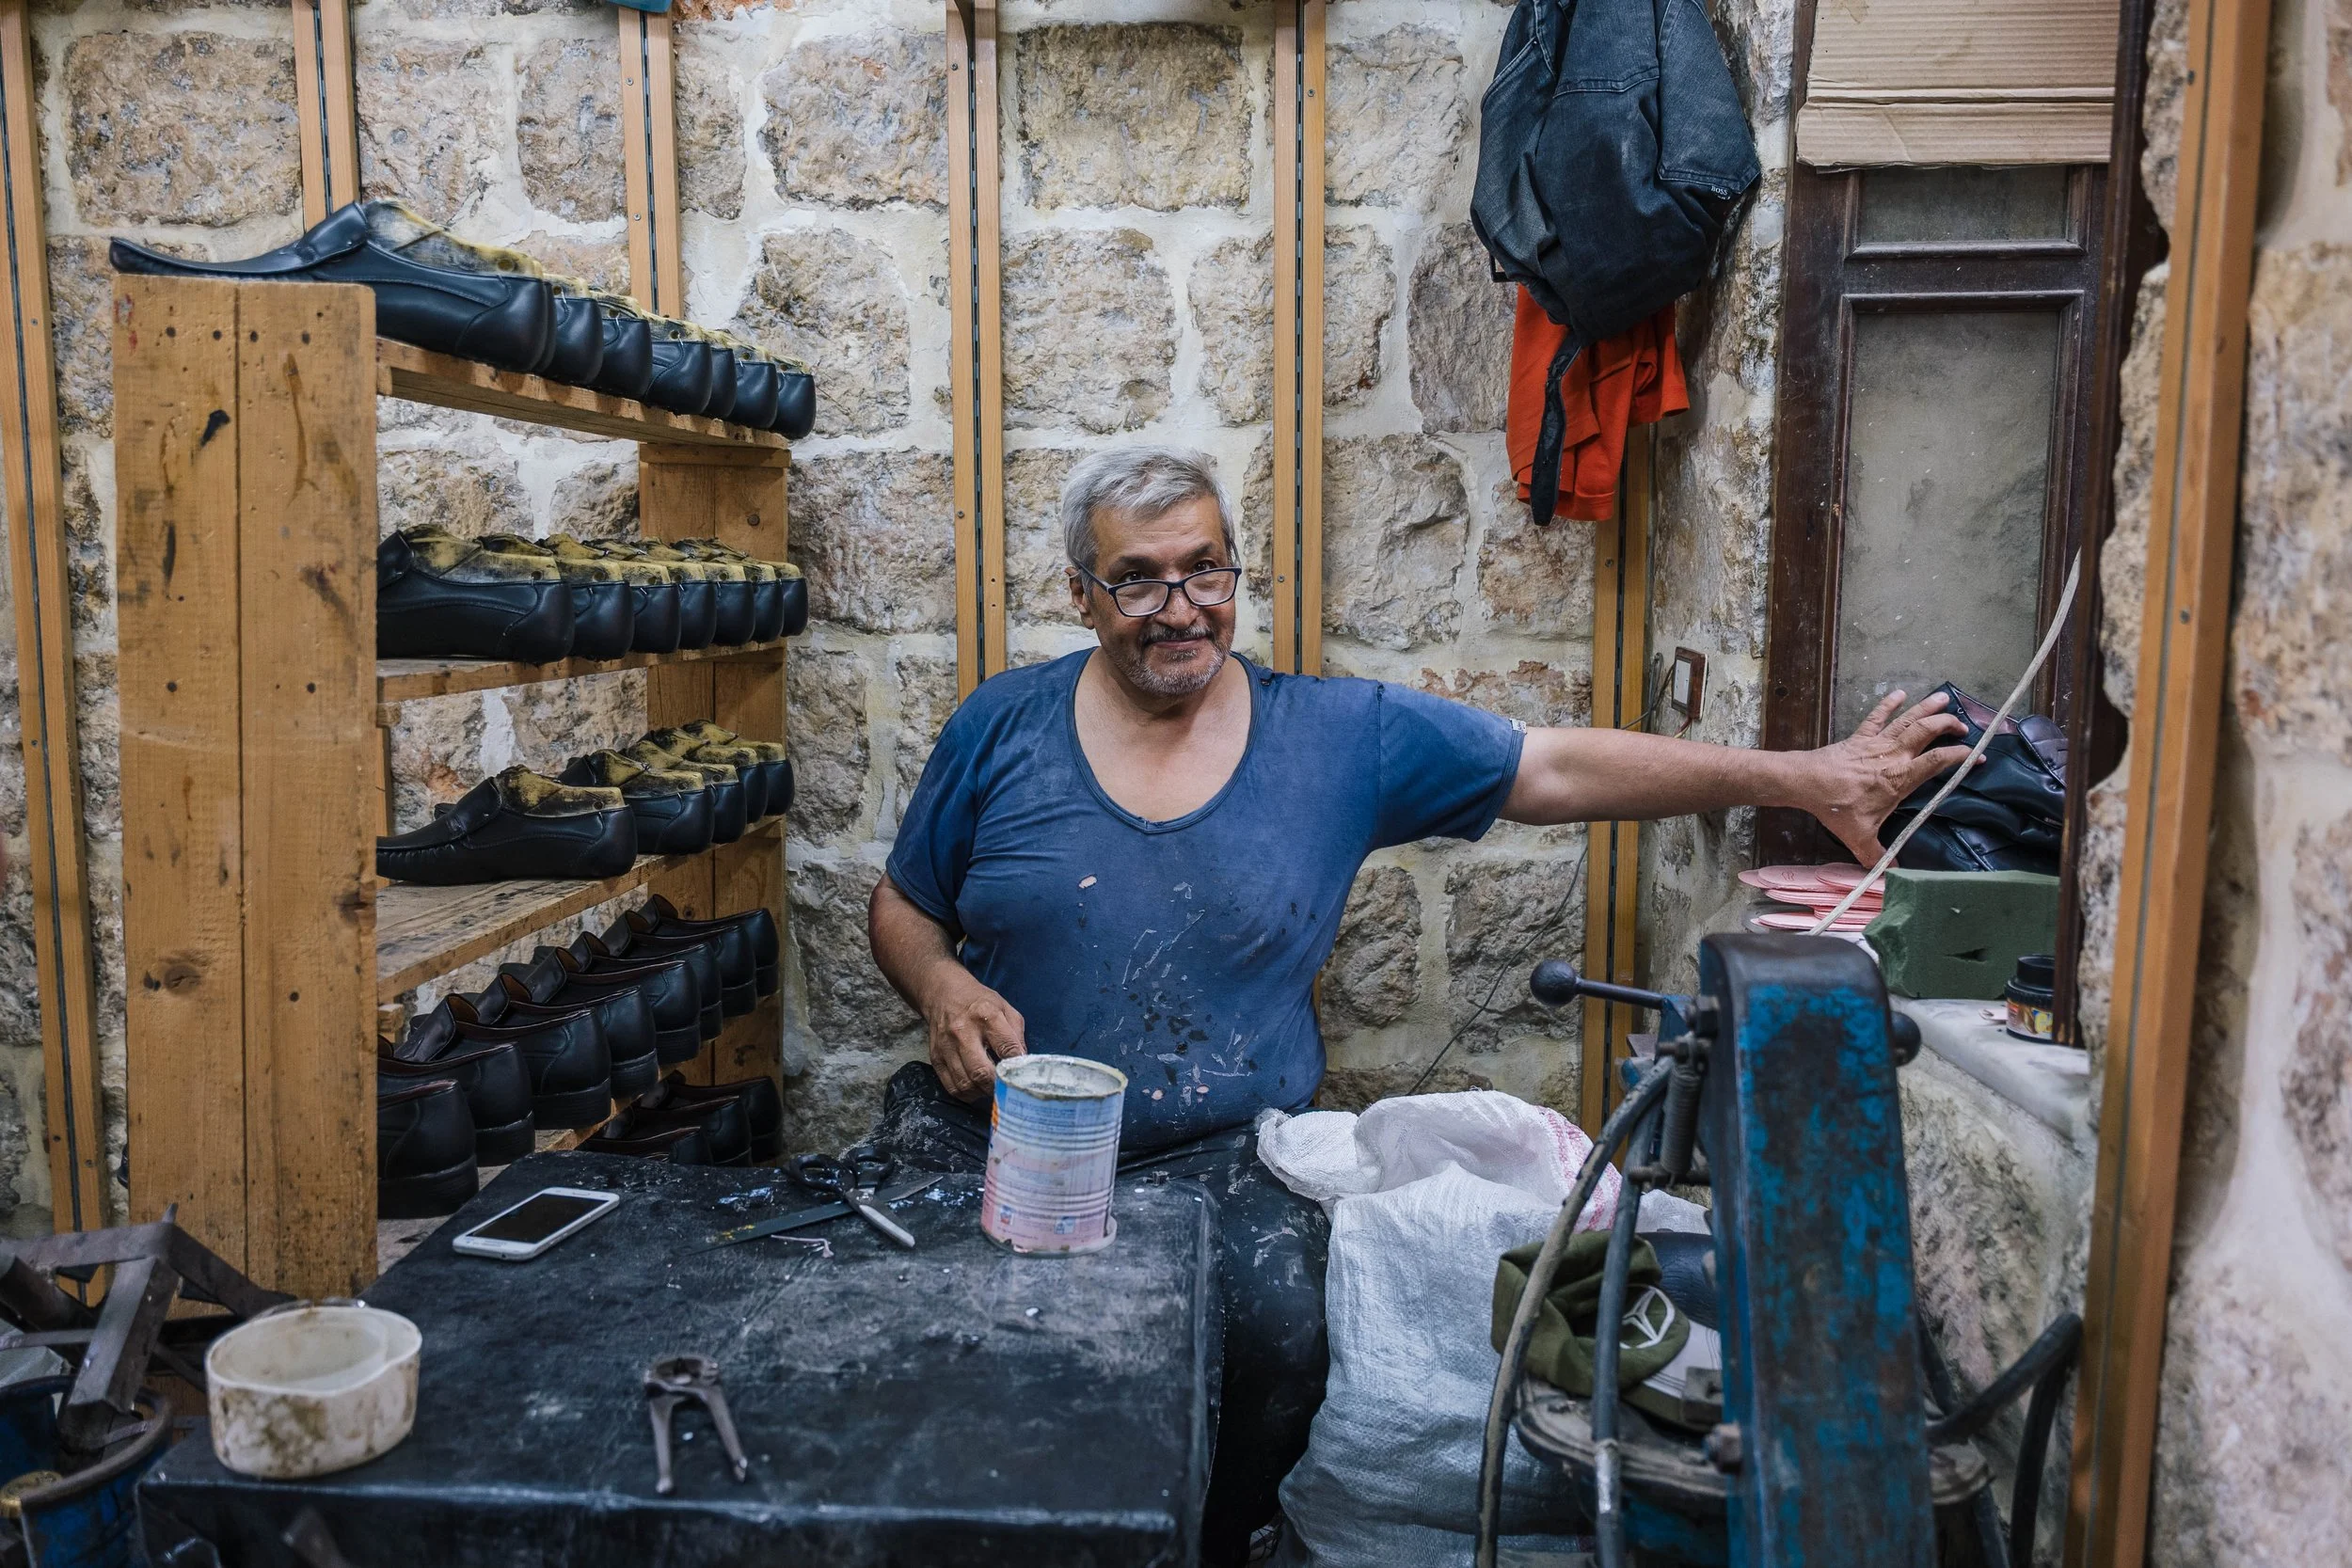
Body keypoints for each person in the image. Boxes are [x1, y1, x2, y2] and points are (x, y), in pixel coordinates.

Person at [866, 446, 1966, 1563]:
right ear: (1079, 595)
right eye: (1139, 579)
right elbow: (901, 905)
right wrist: (941, 980)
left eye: (1207, 570)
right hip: (997, 1135)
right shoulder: (1001, 726)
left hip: (1219, 1161)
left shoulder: (1336, 738)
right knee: (922, 1358)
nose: (1181, 608)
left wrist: (1809, 776)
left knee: (1283, 1337)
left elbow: (1557, 770)